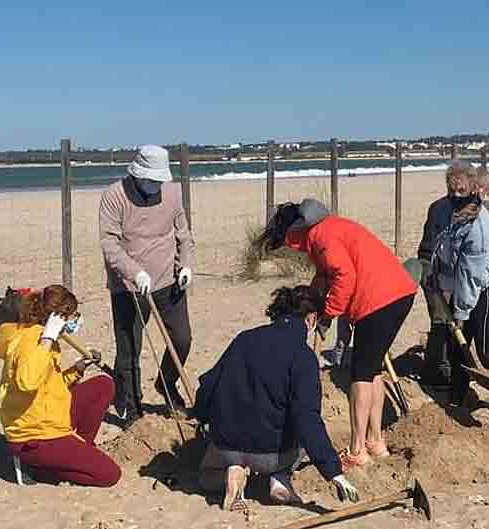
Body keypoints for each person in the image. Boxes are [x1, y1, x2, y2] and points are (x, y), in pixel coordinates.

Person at [262, 198, 417, 469]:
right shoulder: (328, 230)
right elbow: (325, 276)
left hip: (378, 299)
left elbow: (344, 277)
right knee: (372, 370)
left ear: (295, 230)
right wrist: (312, 302)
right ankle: (375, 441)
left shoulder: (323, 238)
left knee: (360, 375)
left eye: (289, 242)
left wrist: (327, 315)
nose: (292, 249)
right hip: (398, 292)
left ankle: (357, 450)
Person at [192, 286, 360, 510]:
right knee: (301, 435)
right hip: (271, 454)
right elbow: (307, 419)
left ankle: (232, 473)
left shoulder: (244, 339)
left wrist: (201, 417)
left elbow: (209, 384)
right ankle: (280, 479)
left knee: (206, 477)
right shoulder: (303, 356)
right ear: (310, 319)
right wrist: (334, 473)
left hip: (226, 446)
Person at [99, 145, 196, 418]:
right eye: (151, 180)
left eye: (159, 180)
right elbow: (109, 243)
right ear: (137, 174)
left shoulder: (172, 192)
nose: (155, 185)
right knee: (130, 349)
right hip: (128, 286)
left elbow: (183, 235)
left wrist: (185, 265)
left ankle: (167, 383)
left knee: (182, 338)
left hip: (169, 280)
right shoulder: (114, 196)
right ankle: (132, 406)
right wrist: (134, 272)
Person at [0, 285, 121, 487]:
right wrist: (48, 338)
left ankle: (79, 451)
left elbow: (51, 386)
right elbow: (27, 381)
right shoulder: (33, 340)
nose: (74, 322)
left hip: (48, 416)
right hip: (34, 435)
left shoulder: (42, 338)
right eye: (71, 316)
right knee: (109, 475)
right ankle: (40, 469)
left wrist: (78, 367)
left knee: (102, 385)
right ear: (57, 318)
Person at [429, 184, 489, 433]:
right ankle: (457, 404)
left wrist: (460, 313)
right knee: (458, 350)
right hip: (461, 290)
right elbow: (443, 255)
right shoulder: (448, 216)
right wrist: (437, 283)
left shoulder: (480, 227)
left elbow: (471, 276)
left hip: (485, 290)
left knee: (488, 353)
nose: (455, 204)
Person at [416, 161, 478, 388]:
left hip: (462, 273)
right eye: (452, 191)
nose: (456, 195)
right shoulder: (438, 208)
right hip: (435, 271)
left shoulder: (478, 210)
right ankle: (437, 373)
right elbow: (428, 246)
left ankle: (457, 367)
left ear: (473, 186)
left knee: (461, 322)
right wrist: (430, 275)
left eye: (461, 191)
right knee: (441, 321)